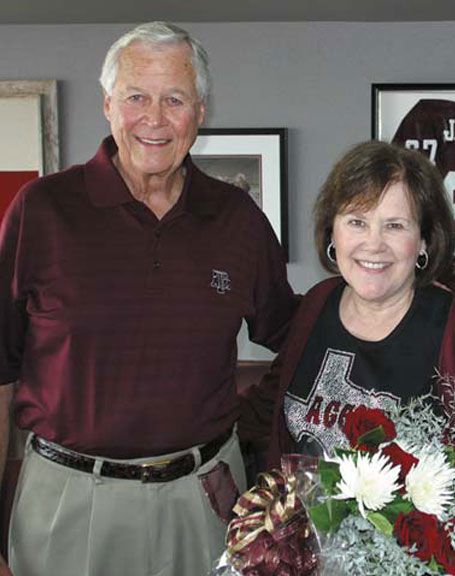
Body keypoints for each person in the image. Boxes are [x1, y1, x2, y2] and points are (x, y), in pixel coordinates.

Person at [0, 22, 297, 576]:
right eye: (137, 96)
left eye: (174, 99)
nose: (154, 118)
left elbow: (296, 333)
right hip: (69, 504)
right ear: (108, 104)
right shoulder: (42, 211)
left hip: (206, 501)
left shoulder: (237, 218)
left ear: (200, 111)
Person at [245, 140, 455, 465]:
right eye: (357, 222)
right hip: (298, 512)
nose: (373, 244)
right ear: (333, 233)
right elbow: (269, 403)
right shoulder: (318, 304)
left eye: (395, 226)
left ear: (424, 241)